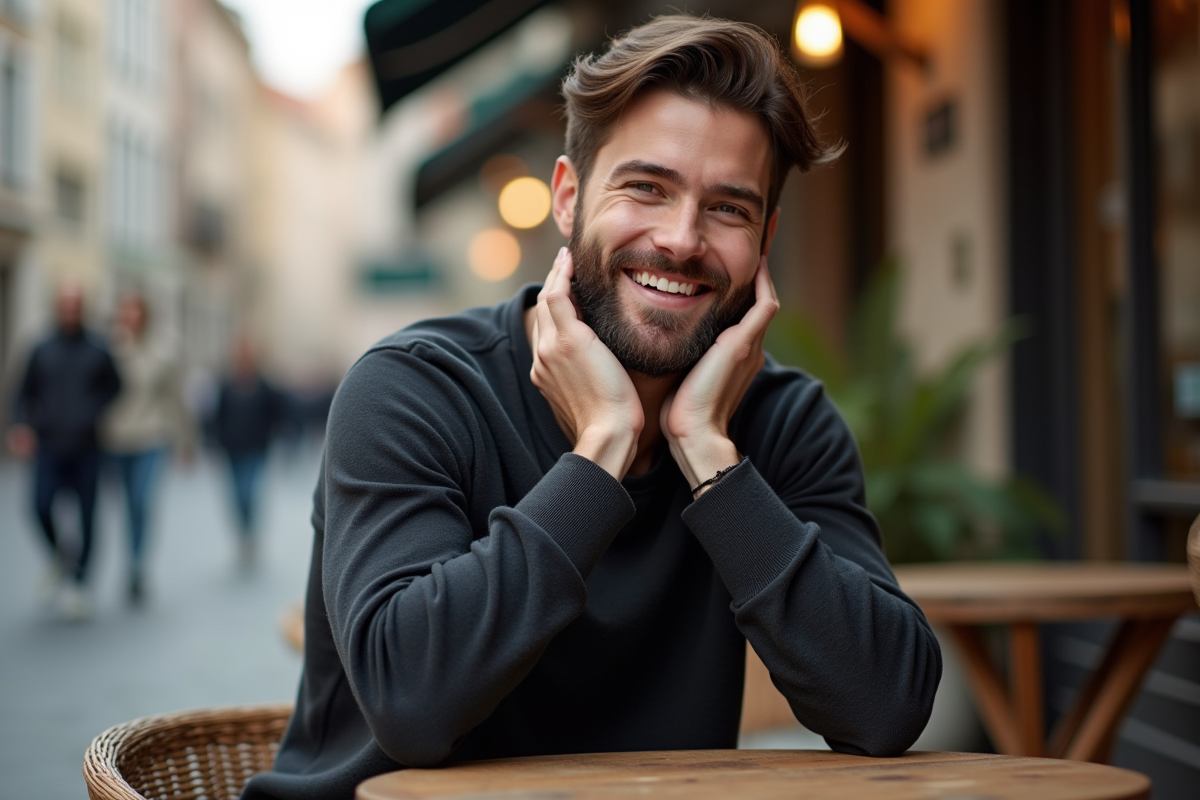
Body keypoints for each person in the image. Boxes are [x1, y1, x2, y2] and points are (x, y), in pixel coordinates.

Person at [243, 16, 940, 800]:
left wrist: (710, 454)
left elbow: (887, 705)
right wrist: (603, 448)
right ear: (569, 197)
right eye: (647, 187)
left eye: (729, 209)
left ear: (766, 238)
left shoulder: (782, 423)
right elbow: (411, 701)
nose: (681, 239)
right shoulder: (414, 390)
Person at [7, 282, 121, 620]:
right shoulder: (41, 348)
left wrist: (93, 411)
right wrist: (20, 425)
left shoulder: (99, 349)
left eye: (76, 304)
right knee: (39, 507)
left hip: (87, 446)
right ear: (57, 307)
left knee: (87, 517)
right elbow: (22, 393)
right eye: (65, 304)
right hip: (50, 444)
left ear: (82, 308)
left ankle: (80, 584)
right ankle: (61, 556)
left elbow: (115, 386)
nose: (70, 310)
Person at [101, 291, 196, 604]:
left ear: (145, 314)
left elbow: (176, 397)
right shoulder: (109, 347)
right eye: (125, 312)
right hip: (115, 437)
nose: (130, 318)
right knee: (126, 505)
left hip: (153, 435)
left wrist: (187, 441)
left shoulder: (166, 348)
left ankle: (137, 566)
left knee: (142, 502)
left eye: (135, 311)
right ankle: (132, 557)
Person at [210, 336, 287, 568]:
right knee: (236, 496)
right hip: (232, 449)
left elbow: (278, 412)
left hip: (256, 449)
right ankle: (243, 536)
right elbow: (217, 416)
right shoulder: (226, 384)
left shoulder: (264, 385)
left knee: (248, 492)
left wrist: (275, 436)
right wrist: (213, 441)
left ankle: (250, 535)